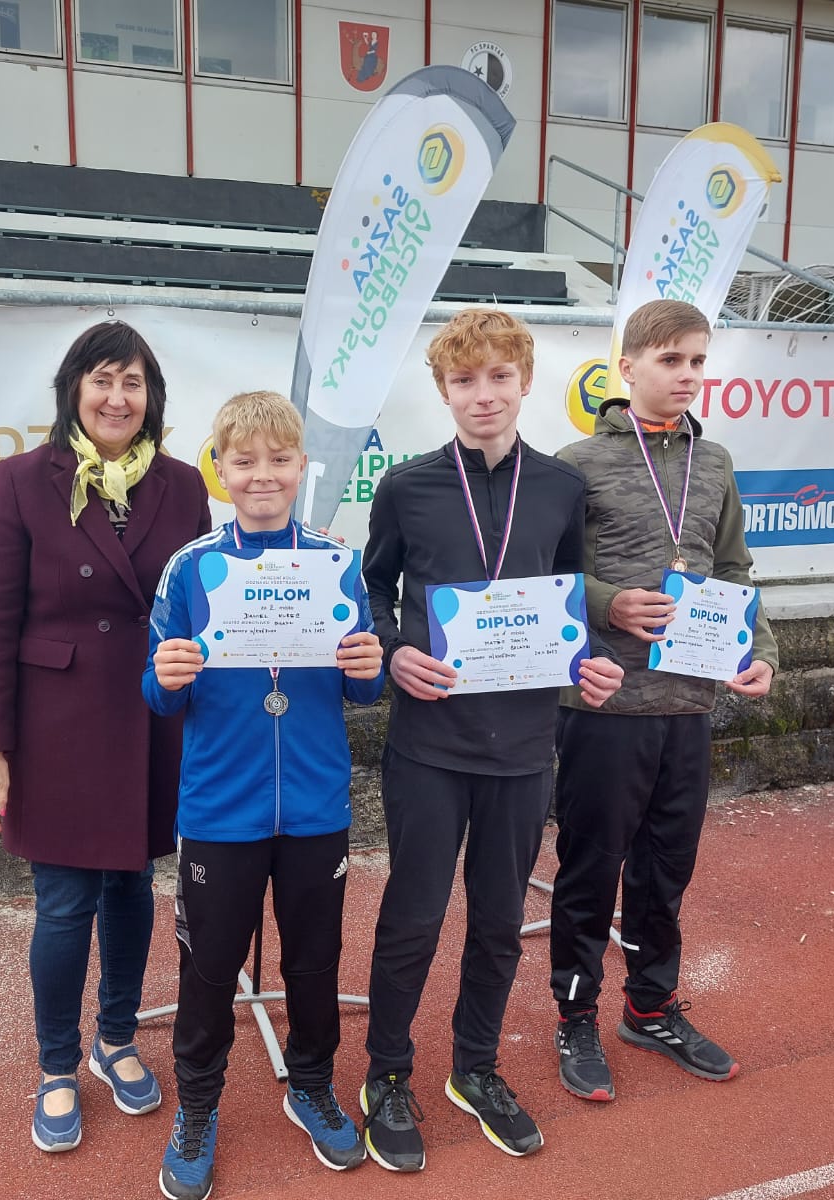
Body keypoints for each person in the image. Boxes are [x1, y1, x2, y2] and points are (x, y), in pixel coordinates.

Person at [359, 309, 624, 1171]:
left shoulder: (559, 487)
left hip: (523, 746)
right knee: (413, 918)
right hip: (430, 745)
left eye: (499, 377)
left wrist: (590, 661)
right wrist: (392, 651)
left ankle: (474, 1068)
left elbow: (567, 596)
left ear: (525, 381)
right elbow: (372, 589)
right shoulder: (406, 486)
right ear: (443, 390)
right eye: (465, 381)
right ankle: (386, 1074)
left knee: (501, 923)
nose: (484, 395)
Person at [0, 320, 212, 1153]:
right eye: (102, 379)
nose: (117, 397)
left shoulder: (183, 484)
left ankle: (117, 1039)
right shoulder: (23, 480)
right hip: (57, 726)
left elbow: (202, 605)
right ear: (74, 389)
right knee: (66, 903)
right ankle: (57, 1067)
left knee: (133, 888)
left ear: (152, 398)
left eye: (133, 382)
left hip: (148, 717)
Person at [144, 391, 385, 1200]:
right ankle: (198, 1107)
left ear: (302, 467)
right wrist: (165, 676)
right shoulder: (190, 567)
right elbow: (158, 692)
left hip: (315, 806)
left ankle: (311, 1086)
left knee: (315, 962)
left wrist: (369, 669)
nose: (262, 475)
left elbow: (362, 687)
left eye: (279, 460)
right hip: (220, 809)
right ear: (220, 470)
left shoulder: (335, 563)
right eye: (244, 461)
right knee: (209, 968)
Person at [549, 298, 777, 1105]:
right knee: (590, 869)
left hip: (689, 703)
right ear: (628, 367)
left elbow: (735, 570)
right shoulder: (576, 464)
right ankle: (575, 1016)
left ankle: (649, 1006)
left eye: (698, 361)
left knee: (666, 870)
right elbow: (547, 575)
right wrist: (608, 602)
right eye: (670, 360)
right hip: (605, 704)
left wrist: (762, 651)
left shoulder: (714, 463)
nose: (687, 375)